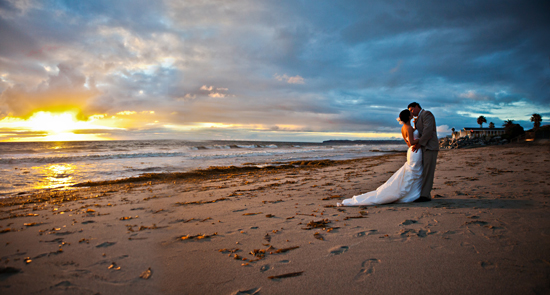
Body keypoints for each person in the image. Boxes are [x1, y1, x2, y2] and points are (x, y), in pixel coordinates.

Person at [337, 109, 422, 206]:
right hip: (415, 151)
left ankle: (413, 193)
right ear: (408, 116)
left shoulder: (404, 128)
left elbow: (408, 143)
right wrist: (422, 139)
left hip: (411, 151)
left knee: (413, 172)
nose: (412, 113)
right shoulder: (409, 128)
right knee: (414, 172)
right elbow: (411, 142)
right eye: (410, 113)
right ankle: (412, 194)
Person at [408, 102, 439, 202]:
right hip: (423, 147)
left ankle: (425, 195)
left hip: (430, 146)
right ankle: (421, 193)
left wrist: (419, 144)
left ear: (417, 107)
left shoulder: (426, 114)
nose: (411, 113)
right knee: (422, 171)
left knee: (428, 171)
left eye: (412, 110)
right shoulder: (416, 119)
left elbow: (428, 131)